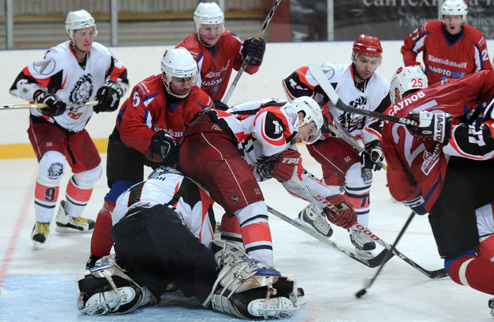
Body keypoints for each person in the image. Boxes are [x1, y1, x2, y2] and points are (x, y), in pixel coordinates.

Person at [76, 167, 303, 319]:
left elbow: (126, 223)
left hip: (124, 234)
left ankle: (130, 285)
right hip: (159, 220)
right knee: (207, 270)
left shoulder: (139, 188)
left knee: (152, 276)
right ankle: (247, 297)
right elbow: (201, 244)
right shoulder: (193, 187)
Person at [179, 97, 358, 267]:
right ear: (303, 116)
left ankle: (230, 263)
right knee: (252, 206)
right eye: (309, 131)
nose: (305, 139)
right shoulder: (288, 113)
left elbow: (298, 179)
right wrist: (276, 156)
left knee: (232, 211)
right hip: (213, 139)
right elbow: (267, 118)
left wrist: (331, 201)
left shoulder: (287, 146)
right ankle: (263, 273)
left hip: (197, 151)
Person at [8, 9, 129, 249]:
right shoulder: (58, 58)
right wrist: (42, 96)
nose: (87, 38)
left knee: (91, 172)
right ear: (70, 34)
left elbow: (122, 78)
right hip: (48, 124)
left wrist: (113, 92)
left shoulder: (102, 55)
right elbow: (19, 84)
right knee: (52, 165)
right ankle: (42, 223)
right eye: (81, 33)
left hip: (75, 127)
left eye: (90, 32)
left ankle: (68, 218)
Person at [85, 47, 214, 268]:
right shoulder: (145, 91)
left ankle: (194, 253)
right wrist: (156, 143)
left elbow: (204, 138)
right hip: (129, 146)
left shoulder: (202, 101)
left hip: (171, 150)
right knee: (117, 196)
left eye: (189, 79)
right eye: (178, 79)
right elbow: (130, 129)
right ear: (164, 76)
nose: (185, 85)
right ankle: (97, 256)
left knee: (193, 197)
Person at [381, 68, 494, 302]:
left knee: (457, 260)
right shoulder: (444, 87)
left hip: (444, 190)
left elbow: (400, 189)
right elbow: (487, 79)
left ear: (397, 92)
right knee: (485, 228)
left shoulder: (390, 121)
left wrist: (420, 202)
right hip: (479, 165)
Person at [282, 34, 390, 257]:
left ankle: (313, 213)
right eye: (363, 60)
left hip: (349, 140)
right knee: (360, 174)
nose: (368, 66)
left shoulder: (381, 87)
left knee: (337, 182)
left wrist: (374, 147)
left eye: (373, 61)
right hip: (324, 138)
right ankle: (359, 230)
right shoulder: (333, 74)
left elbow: (375, 122)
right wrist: (316, 113)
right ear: (354, 57)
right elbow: (291, 81)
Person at [176, 1, 266, 105]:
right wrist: (209, 106)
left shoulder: (231, 41)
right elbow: (184, 97)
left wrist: (254, 58)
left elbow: (250, 69)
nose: (213, 33)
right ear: (196, 27)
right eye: (207, 28)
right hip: (189, 109)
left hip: (211, 107)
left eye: (217, 28)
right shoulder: (186, 53)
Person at [401, 0, 492, 86]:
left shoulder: (475, 38)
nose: (452, 22)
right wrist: (411, 65)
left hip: (463, 94)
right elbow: (408, 47)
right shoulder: (429, 30)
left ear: (463, 18)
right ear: (443, 17)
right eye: (448, 17)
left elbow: (486, 72)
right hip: (431, 91)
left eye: (456, 17)